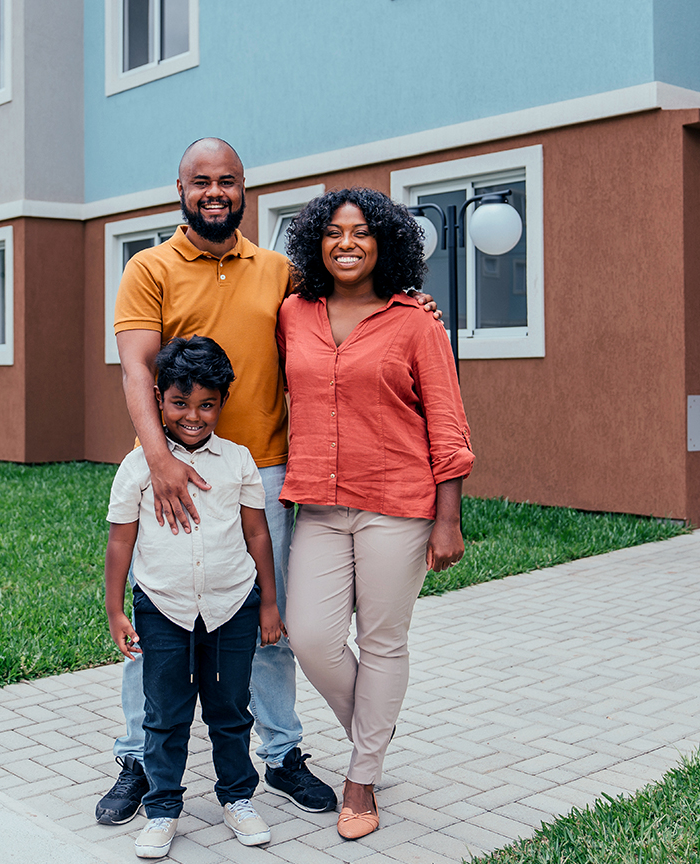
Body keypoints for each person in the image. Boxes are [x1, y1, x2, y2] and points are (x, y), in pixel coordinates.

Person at [98, 138, 338, 824]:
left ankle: (283, 755)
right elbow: (137, 370)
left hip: (261, 468)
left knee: (268, 620)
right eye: (200, 181)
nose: (214, 192)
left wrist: (414, 304)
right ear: (178, 187)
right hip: (173, 469)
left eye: (227, 181)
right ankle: (139, 760)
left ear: (244, 190)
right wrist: (160, 460)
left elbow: (344, 311)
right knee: (159, 622)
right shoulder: (148, 267)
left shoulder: (277, 269)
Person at [276, 188, 473, 840]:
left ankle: (361, 781)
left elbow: (446, 423)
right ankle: (373, 737)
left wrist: (449, 519)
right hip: (322, 508)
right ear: (316, 244)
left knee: (384, 642)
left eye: (362, 232)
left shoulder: (415, 321)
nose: (348, 243)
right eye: (334, 232)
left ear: (384, 242)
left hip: (398, 506)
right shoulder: (292, 314)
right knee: (311, 638)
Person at [104, 336, 284, 858]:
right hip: (162, 609)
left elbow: (257, 535)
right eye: (180, 403)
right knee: (165, 714)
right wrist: (117, 609)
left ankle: (237, 798)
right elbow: (121, 540)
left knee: (231, 710)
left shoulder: (239, 461)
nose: (193, 415)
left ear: (222, 403)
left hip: (232, 605)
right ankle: (162, 808)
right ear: (158, 398)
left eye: (206, 404)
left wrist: (269, 602)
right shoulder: (138, 467)